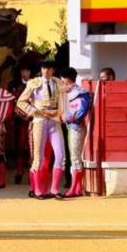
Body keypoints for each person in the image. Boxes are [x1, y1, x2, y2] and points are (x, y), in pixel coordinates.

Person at [16, 59, 66, 199]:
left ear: (53, 70)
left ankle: (54, 189)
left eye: (50, 69)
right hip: (40, 121)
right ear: (41, 69)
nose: (47, 71)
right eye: (45, 68)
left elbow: (64, 100)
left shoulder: (59, 83)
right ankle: (37, 190)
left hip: (54, 120)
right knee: (38, 156)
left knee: (61, 155)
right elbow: (21, 102)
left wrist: (61, 113)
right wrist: (35, 112)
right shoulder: (34, 83)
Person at [58, 67, 91, 198]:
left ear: (65, 79)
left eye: (62, 79)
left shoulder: (78, 93)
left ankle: (74, 188)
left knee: (75, 158)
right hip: (71, 126)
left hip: (76, 126)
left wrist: (65, 118)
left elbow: (80, 113)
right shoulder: (72, 92)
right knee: (74, 157)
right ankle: (76, 188)